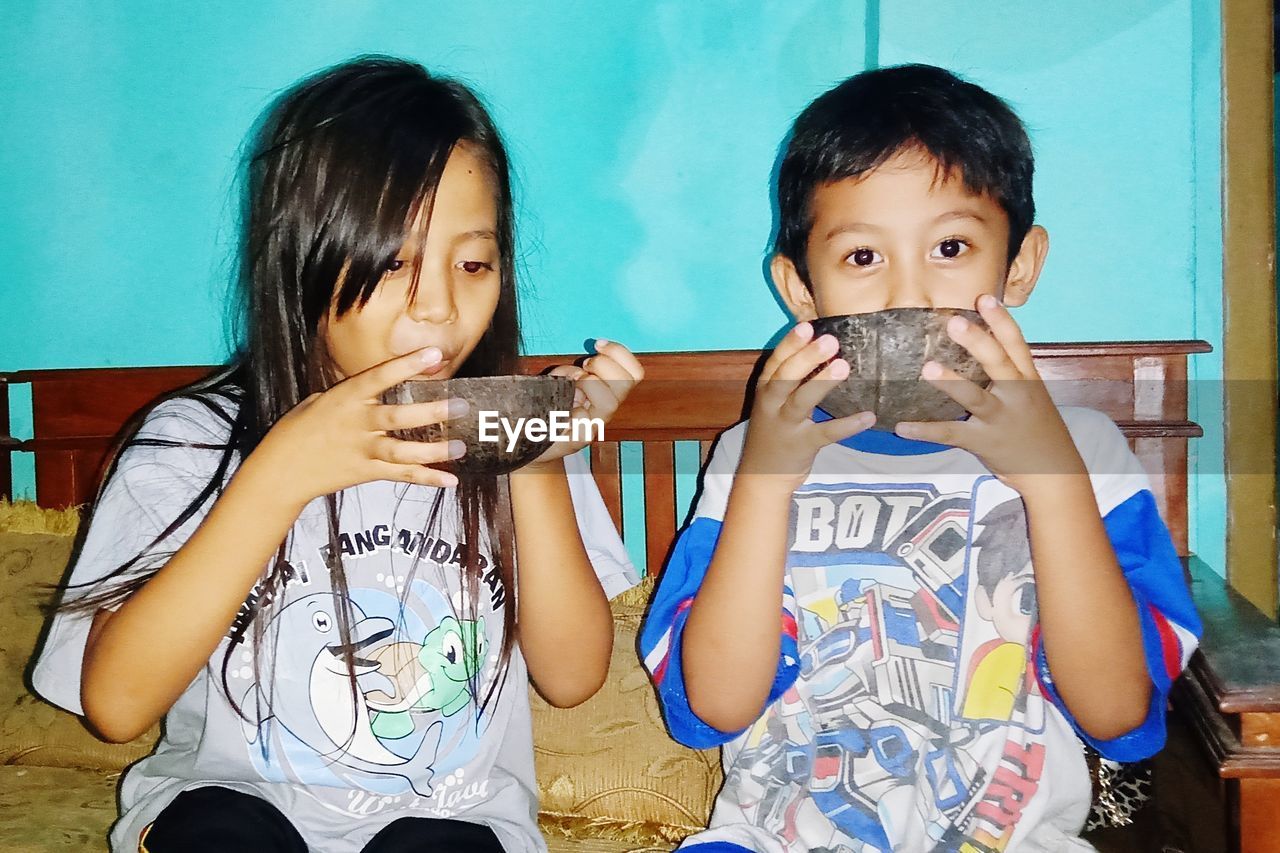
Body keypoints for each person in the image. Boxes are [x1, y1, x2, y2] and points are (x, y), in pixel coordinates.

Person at [32, 56, 643, 853]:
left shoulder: (511, 432)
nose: (440, 305)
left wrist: (533, 457)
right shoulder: (191, 439)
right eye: (396, 260)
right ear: (303, 258)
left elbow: (573, 678)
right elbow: (114, 706)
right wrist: (277, 474)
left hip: (449, 820)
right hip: (229, 806)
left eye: (473, 263)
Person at [639, 64, 1201, 852]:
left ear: (1021, 265)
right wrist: (767, 482)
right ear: (802, 292)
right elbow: (716, 708)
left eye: (949, 246)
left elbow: (1118, 715)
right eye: (863, 258)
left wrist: (1053, 483)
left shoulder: (1086, 453)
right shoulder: (753, 453)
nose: (908, 291)